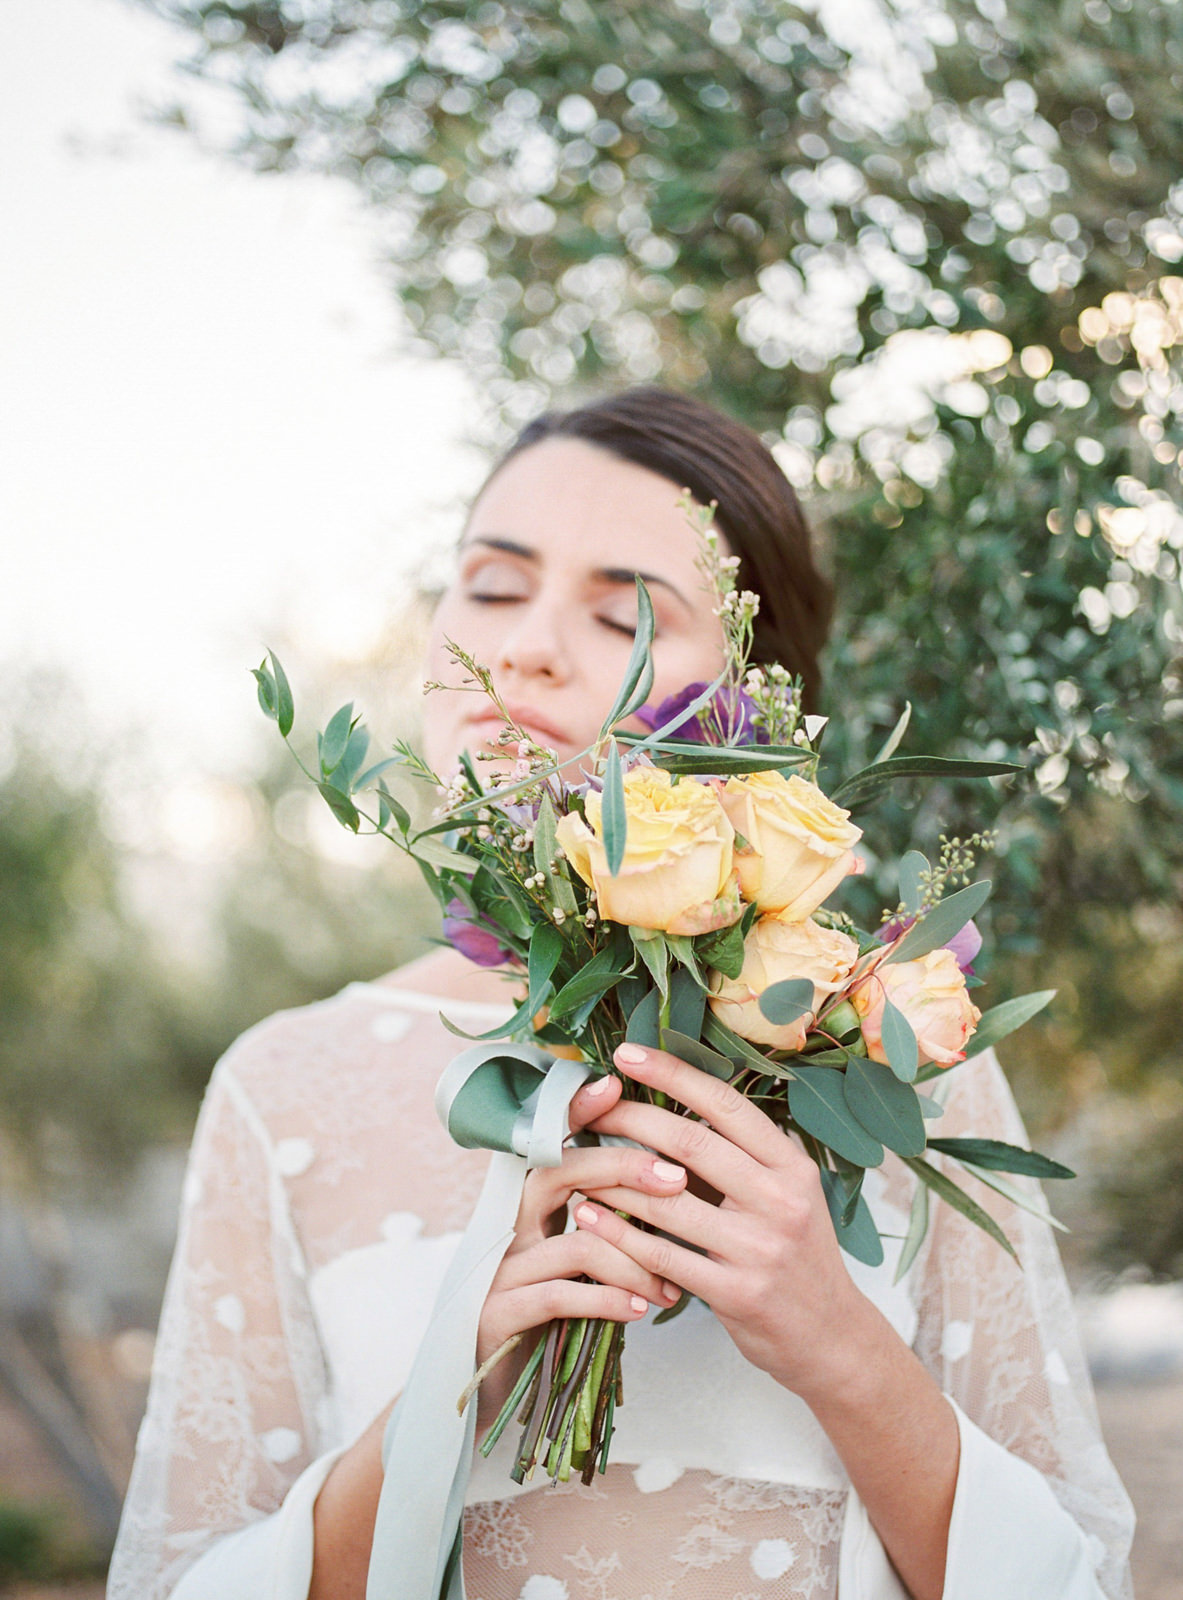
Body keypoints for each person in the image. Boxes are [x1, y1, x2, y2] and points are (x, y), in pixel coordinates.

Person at [107, 387, 1134, 1600]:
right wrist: (457, 1370)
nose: (527, 644)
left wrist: (837, 1344)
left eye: (623, 613)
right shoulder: (284, 1086)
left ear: (754, 702)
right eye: (491, 587)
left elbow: (1074, 1576)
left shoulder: (892, 1035)